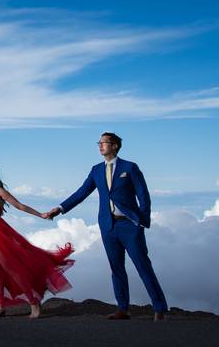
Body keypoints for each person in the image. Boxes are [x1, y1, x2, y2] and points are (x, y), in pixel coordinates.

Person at [47, 132, 168, 321]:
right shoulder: (96, 170)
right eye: (99, 143)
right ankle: (123, 309)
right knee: (116, 268)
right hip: (108, 226)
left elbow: (143, 196)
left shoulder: (130, 167)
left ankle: (159, 308)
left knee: (143, 266)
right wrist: (60, 208)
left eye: (104, 142)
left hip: (130, 225)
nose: (100, 146)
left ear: (115, 146)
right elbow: (82, 192)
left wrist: (142, 220)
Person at [0, 165, 75, 319]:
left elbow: (20, 206)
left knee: (11, 268)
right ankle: (0, 306)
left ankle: (34, 302)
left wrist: (40, 214)